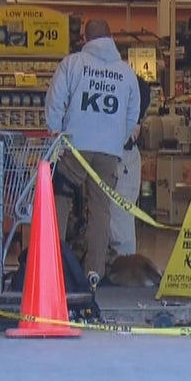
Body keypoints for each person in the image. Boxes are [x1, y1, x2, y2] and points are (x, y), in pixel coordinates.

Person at [46, 19, 141, 285]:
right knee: (101, 209)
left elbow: (55, 101)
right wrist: (117, 139)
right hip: (108, 152)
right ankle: (94, 272)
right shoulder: (126, 72)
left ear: (85, 38)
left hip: (75, 147)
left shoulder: (73, 64)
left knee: (60, 198)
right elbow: (133, 113)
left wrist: (56, 134)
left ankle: (54, 265)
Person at [109, 75, 152, 259]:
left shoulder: (127, 83)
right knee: (115, 218)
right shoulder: (127, 81)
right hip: (122, 158)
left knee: (120, 219)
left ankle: (124, 263)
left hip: (123, 160)